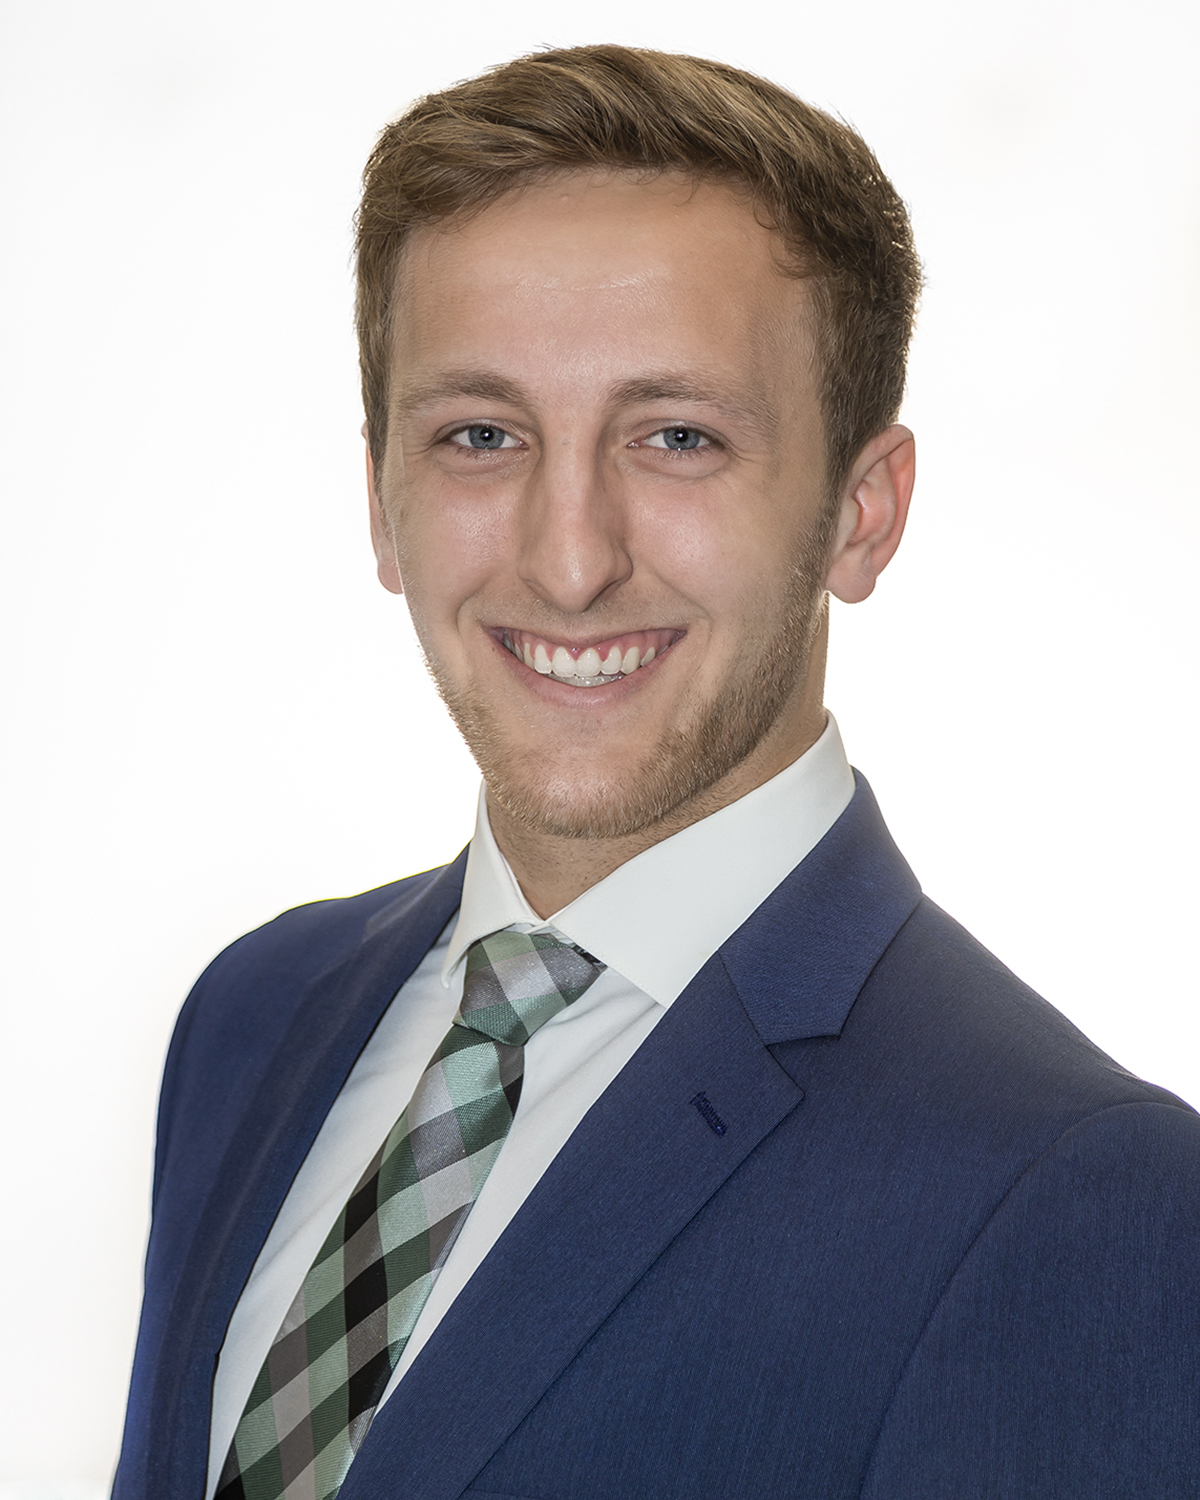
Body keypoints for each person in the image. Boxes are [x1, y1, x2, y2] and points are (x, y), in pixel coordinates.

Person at [114, 44, 1200, 1500]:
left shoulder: (1081, 1200)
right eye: (481, 436)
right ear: (381, 498)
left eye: (677, 438)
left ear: (862, 513)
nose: (569, 560)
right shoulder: (253, 1016)